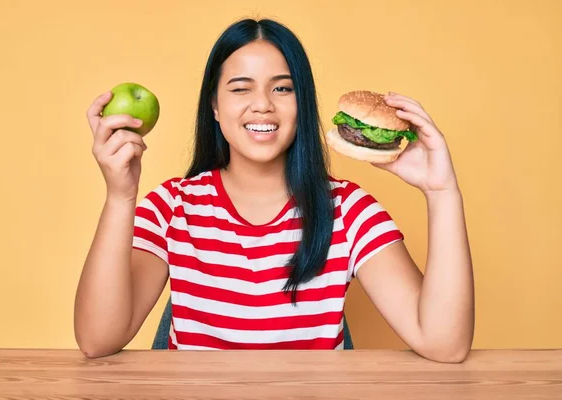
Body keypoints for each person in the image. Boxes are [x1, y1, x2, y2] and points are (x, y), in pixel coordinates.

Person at [74, 18, 475, 362]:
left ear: (303, 103)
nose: (263, 105)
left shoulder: (349, 210)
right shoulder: (172, 207)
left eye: (282, 88)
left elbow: (445, 344)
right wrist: (120, 195)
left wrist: (441, 193)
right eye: (241, 88)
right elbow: (97, 340)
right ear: (214, 106)